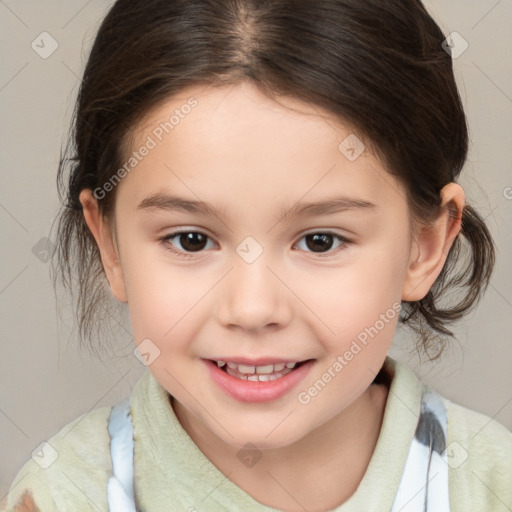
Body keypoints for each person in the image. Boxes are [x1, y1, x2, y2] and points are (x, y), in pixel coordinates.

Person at [3, 0, 511, 511]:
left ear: (424, 247)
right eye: (191, 240)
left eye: (320, 241)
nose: (252, 309)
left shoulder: (491, 486)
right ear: (109, 244)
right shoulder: (61, 496)